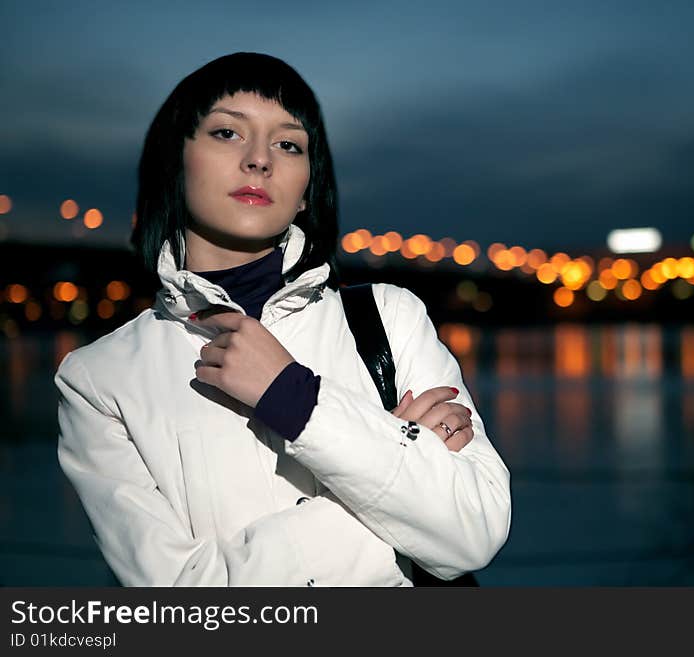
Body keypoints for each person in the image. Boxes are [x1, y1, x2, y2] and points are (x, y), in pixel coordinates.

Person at [54, 52, 511, 587]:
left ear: (304, 191)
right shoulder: (99, 380)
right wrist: (403, 482)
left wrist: (296, 398)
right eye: (227, 133)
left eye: (288, 144)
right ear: (175, 163)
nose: (259, 160)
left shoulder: (388, 318)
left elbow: (475, 530)